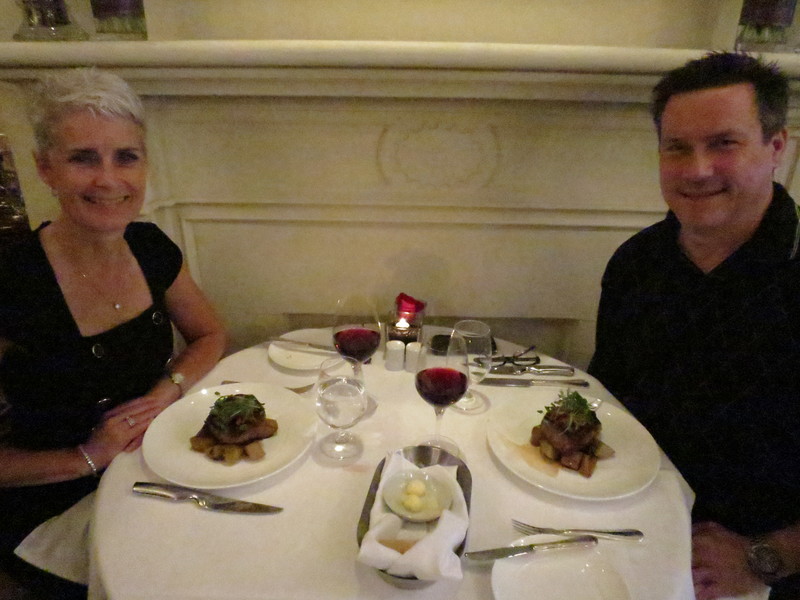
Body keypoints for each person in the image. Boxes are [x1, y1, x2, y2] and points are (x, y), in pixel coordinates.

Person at [0, 68, 227, 598]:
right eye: (83, 158)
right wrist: (87, 455)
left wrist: (164, 392)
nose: (108, 180)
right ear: (45, 169)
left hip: (154, 469)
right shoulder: (11, 279)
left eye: (126, 157)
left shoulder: (149, 245)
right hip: (55, 503)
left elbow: (210, 335)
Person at [588, 51, 800, 600]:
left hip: (752, 569)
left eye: (724, 143)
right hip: (621, 527)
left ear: (776, 147)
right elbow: (609, 397)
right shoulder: (636, 263)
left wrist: (766, 556)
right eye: (677, 147)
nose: (697, 170)